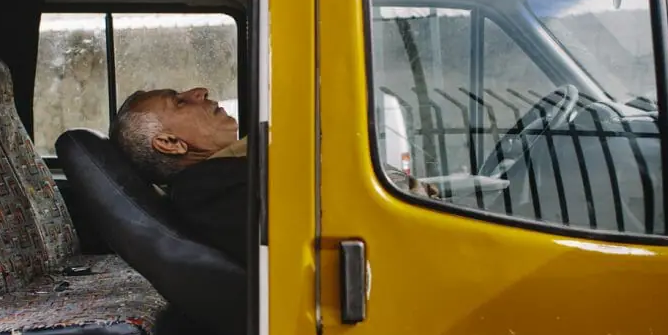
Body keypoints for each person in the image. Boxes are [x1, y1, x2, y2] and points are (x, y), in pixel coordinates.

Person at [110, 87, 438, 267]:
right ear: (170, 143)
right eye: (179, 102)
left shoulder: (228, 171)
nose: (199, 91)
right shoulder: (206, 192)